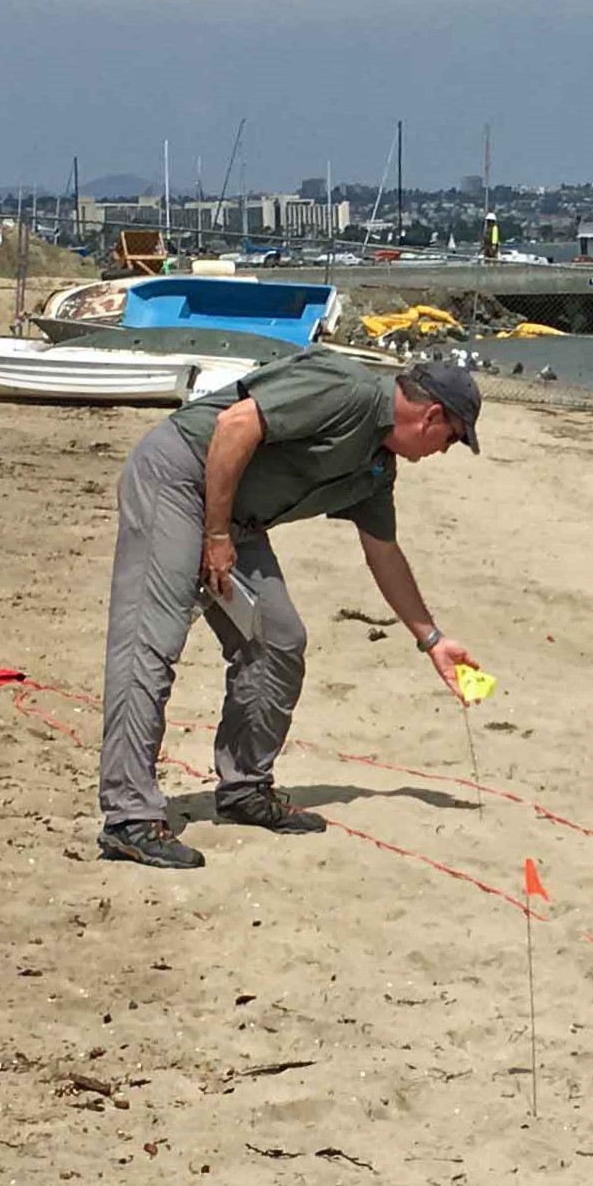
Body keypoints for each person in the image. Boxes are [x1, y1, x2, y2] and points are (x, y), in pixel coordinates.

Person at [97, 353, 482, 869]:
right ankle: (129, 818)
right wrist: (213, 535)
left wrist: (432, 641)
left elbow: (383, 553)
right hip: (179, 480)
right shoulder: (346, 389)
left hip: (236, 517)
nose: (445, 451)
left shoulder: (375, 467)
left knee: (278, 642)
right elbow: (235, 426)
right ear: (431, 416)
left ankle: (244, 789)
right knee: (151, 643)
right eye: (453, 438)